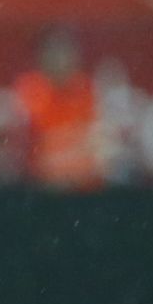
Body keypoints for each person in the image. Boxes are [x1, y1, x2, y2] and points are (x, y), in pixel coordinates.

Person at [14, 26, 109, 190]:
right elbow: (36, 153)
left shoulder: (88, 89)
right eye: (52, 53)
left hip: (86, 189)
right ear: (40, 57)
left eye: (65, 52)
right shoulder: (29, 89)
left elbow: (98, 149)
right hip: (39, 190)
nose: (59, 59)